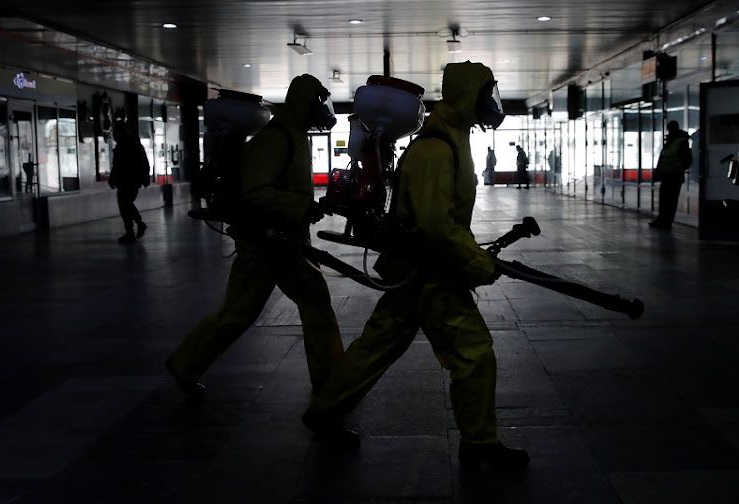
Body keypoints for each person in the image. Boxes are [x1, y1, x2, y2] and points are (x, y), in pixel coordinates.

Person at [302, 61, 530, 469]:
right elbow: (436, 225)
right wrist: (477, 263)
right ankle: (479, 444)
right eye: (485, 93)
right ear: (469, 96)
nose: (490, 103)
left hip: (414, 269)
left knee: (377, 344)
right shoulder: (436, 148)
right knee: (474, 352)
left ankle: (325, 409)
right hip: (430, 272)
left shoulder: (450, 138)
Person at [165, 74, 344, 402]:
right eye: (319, 100)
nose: (324, 109)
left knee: (317, 306)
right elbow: (256, 191)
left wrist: (304, 208)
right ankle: (185, 363)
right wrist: (300, 206)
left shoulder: (293, 135)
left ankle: (332, 380)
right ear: (306, 102)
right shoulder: (276, 139)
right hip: (263, 245)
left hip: (288, 242)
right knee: (238, 313)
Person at [109, 122, 150, 243]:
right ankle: (135, 226)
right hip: (128, 180)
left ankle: (134, 228)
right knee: (126, 204)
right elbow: (116, 166)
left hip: (129, 180)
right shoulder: (130, 145)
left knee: (125, 204)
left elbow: (119, 165)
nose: (116, 134)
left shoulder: (128, 146)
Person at [649, 120, 692, 229]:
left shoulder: (680, 142)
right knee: (665, 199)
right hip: (667, 175)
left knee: (670, 200)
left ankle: (666, 221)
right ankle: (662, 219)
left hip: (674, 176)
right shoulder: (670, 141)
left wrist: (680, 168)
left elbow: (687, 159)